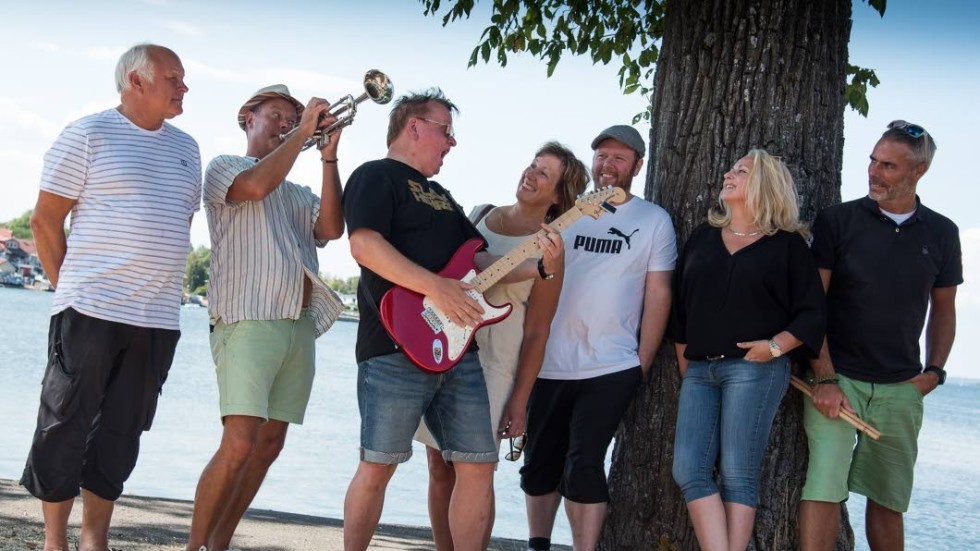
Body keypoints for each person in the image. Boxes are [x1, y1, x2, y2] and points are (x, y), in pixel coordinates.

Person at [21, 43, 200, 551]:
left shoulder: (187, 147)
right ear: (135, 81)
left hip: (158, 319)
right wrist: (71, 291)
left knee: (123, 433)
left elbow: (177, 226)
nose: (184, 87)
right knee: (63, 426)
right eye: (174, 78)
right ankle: (56, 540)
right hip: (89, 312)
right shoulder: (88, 134)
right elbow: (44, 220)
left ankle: (94, 539)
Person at [185, 85, 346, 551]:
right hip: (248, 320)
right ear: (247, 118)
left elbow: (331, 229)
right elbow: (256, 187)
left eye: (292, 118)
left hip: (298, 324)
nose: (285, 123)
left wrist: (329, 157)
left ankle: (219, 543)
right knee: (238, 442)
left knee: (270, 444)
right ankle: (195, 546)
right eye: (277, 115)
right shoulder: (225, 168)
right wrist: (301, 134)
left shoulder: (297, 189)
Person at [415, 142, 590, 550]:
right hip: (446, 351)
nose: (530, 174)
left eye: (544, 174)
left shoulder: (552, 252)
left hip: (494, 368)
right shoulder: (478, 215)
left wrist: (520, 401)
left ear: (558, 197)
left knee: (475, 472)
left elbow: (537, 332)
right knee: (438, 467)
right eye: (532, 165)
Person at [799, 121, 961, 551]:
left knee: (889, 498)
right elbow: (812, 304)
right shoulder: (838, 221)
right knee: (824, 487)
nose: (873, 171)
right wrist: (827, 377)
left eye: (887, 165)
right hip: (837, 379)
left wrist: (933, 373)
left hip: (901, 386)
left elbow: (943, 310)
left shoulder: (942, 233)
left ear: (918, 171)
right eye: (872, 160)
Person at [520, 125, 676, 551]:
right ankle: (538, 544)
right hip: (549, 361)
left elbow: (659, 294)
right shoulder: (564, 212)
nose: (608, 165)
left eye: (619, 158)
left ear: (637, 166)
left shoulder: (653, 220)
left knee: (584, 464)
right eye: (602, 156)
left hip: (611, 364)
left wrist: (641, 363)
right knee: (539, 464)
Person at [670, 149, 825, 550]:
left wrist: (774, 348)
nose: (728, 174)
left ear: (764, 184)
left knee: (739, 473)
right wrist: (687, 364)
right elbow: (680, 307)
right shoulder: (703, 237)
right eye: (732, 168)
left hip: (755, 369)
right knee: (689, 470)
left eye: (741, 170)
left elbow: (812, 313)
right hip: (700, 371)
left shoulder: (788, 245)